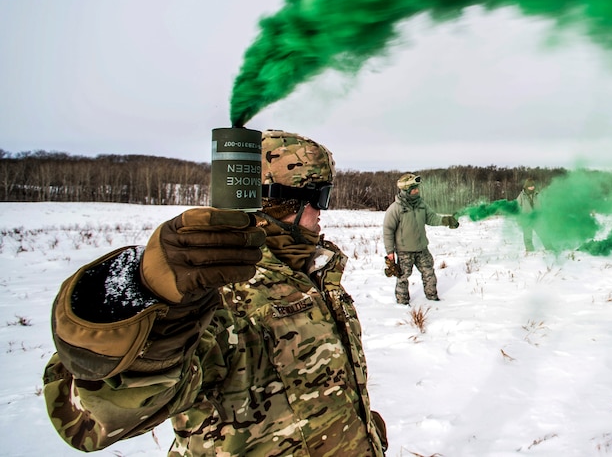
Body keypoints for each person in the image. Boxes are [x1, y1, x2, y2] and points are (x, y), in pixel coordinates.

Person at [41, 130, 388, 456]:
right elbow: (97, 414)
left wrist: (359, 429)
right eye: (320, 197)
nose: (322, 211)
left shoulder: (313, 272)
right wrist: (148, 302)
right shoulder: (224, 297)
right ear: (281, 204)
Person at [383, 173, 458, 305]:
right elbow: (388, 230)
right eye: (414, 188)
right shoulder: (396, 208)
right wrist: (390, 252)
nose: (417, 190)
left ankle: (432, 298)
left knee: (429, 273)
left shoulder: (421, 204)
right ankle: (402, 302)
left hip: (422, 249)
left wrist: (446, 220)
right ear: (406, 190)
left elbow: (432, 218)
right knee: (402, 277)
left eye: (417, 188)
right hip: (404, 251)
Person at [516, 177, 544, 251]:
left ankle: (550, 248)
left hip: (536, 218)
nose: (532, 188)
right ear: (526, 186)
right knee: (527, 236)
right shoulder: (521, 196)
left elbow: (543, 204)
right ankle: (530, 250)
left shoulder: (537, 194)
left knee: (543, 234)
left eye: (533, 186)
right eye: (530, 186)